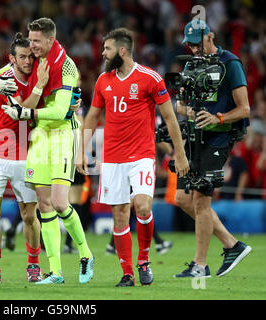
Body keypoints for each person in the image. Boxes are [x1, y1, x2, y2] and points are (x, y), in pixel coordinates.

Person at [76, 28, 189, 287]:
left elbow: (170, 118)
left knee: (142, 206)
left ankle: (144, 260)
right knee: (119, 215)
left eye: (107, 49)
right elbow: (92, 117)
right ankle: (127, 273)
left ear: (122, 50)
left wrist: (180, 154)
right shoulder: (103, 81)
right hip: (113, 158)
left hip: (141, 155)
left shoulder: (150, 78)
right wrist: (81, 150)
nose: (103, 53)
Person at [2, 17, 94, 285]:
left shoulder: (66, 67)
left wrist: (26, 112)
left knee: (60, 202)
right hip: (40, 135)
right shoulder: (36, 61)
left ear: (51, 40)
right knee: (43, 204)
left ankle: (86, 254)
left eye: (36, 41)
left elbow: (60, 110)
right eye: (30, 41)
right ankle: (55, 272)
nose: (31, 46)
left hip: (62, 135)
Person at [174, 20, 252, 278]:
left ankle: (200, 266)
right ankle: (232, 245)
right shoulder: (190, 65)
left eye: (197, 43)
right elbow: (179, 106)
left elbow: (244, 109)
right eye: (190, 44)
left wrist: (217, 118)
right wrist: (194, 112)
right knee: (183, 198)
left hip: (219, 138)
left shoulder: (231, 63)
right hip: (196, 137)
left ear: (211, 37)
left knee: (201, 201)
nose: (194, 49)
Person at [0, 33, 49, 283]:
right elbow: (23, 111)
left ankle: (33, 265)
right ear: (12, 59)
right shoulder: (5, 80)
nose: (28, 61)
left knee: (29, 215)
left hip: (26, 153)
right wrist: (39, 87)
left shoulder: (40, 74)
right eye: (22, 57)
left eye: (31, 56)